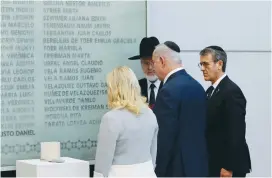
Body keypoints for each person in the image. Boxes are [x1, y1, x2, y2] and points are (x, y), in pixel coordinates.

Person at [152, 41, 208, 177]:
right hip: (199, 167)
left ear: (162, 60)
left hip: (176, 169)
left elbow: (164, 137)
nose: (153, 68)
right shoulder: (198, 87)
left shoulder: (168, 91)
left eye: (153, 63)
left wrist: (158, 171)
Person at [93, 66, 158, 177]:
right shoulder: (150, 114)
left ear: (113, 89)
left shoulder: (111, 118)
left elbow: (103, 161)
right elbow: (153, 153)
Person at [199, 46, 251, 177]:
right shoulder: (210, 91)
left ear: (219, 64)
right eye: (201, 64)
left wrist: (229, 166)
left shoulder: (231, 92)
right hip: (214, 163)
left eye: (206, 64)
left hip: (226, 167)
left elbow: (236, 132)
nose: (202, 69)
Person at [129, 36, 163, 108]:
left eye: (153, 62)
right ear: (141, 63)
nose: (150, 67)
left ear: (160, 62)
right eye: (146, 63)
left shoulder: (169, 86)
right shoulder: (135, 87)